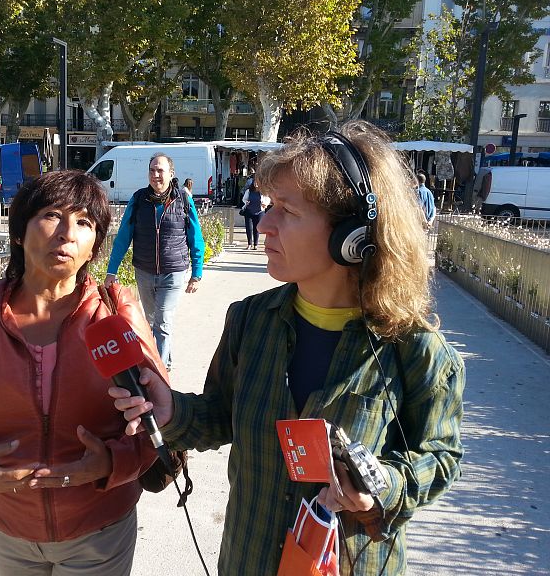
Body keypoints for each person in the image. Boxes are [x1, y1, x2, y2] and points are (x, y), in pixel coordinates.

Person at [110, 121, 465, 575]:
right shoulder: (249, 320)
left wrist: (383, 485)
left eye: (287, 210)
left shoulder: (415, 350)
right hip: (248, 558)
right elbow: (221, 414)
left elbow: (440, 455)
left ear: (352, 236)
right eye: (268, 205)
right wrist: (171, 412)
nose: (264, 223)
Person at [0, 170, 167, 575]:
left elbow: (159, 423)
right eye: (51, 215)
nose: (67, 232)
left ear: (94, 247)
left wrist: (109, 464)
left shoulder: (116, 315)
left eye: (84, 222)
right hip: (7, 528)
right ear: (18, 233)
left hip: (98, 528)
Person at [105, 153, 205, 371]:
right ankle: (165, 360)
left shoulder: (183, 200)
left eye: (160, 170)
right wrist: (111, 271)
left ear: (171, 173)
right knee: (151, 321)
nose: (155, 174)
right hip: (145, 270)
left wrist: (197, 273)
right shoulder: (139, 199)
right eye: (152, 170)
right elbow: (123, 237)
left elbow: (196, 238)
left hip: (174, 272)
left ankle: (157, 370)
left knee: (163, 321)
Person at [240, 179, 270, 250]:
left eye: (257, 182)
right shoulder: (249, 191)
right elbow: (244, 199)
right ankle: (249, 244)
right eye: (255, 182)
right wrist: (246, 202)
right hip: (249, 211)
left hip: (259, 212)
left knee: (256, 228)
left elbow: (268, 199)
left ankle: (255, 244)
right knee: (249, 228)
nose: (256, 184)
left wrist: (265, 204)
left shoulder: (263, 192)